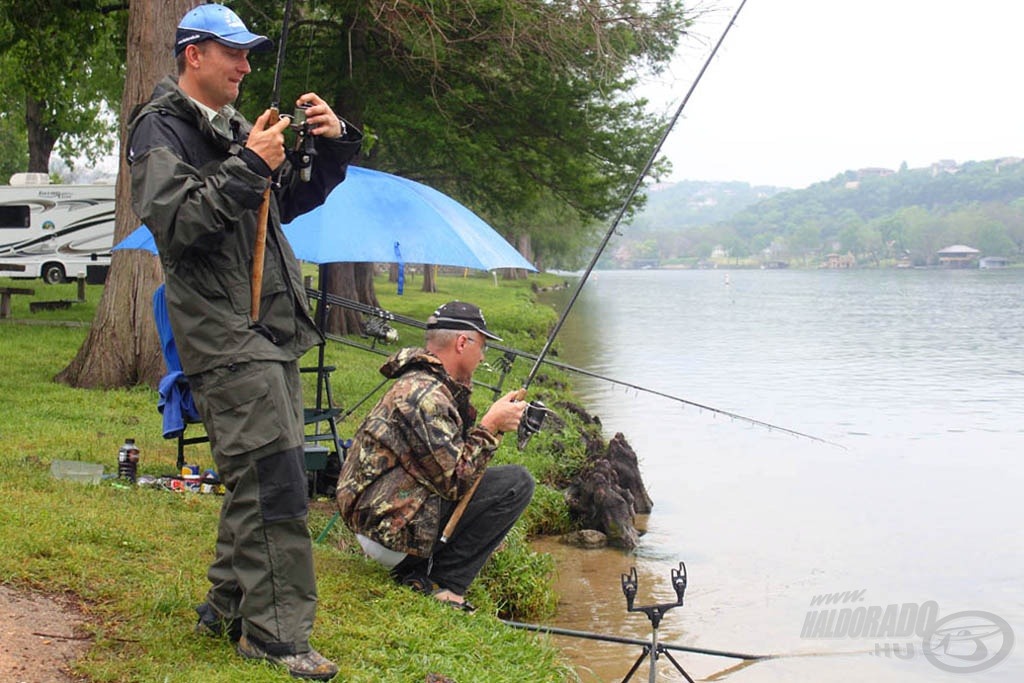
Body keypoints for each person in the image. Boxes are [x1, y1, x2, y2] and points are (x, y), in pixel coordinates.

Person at [127, 4, 361, 680]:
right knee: (277, 481)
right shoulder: (159, 127)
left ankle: (223, 610)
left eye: (251, 53)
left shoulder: (231, 128)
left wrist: (334, 141)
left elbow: (281, 201)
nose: (247, 65)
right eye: (235, 52)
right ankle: (277, 636)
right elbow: (175, 222)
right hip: (225, 334)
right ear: (194, 53)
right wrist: (247, 167)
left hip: (271, 328)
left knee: (259, 476)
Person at [335, 301, 534, 611]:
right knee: (517, 483)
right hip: (388, 533)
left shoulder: (430, 384)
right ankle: (445, 583)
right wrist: (490, 424)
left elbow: (450, 460)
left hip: (383, 519)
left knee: (508, 481)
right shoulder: (424, 396)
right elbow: (456, 480)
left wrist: (488, 426)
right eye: (481, 346)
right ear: (462, 343)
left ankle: (422, 569)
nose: (483, 356)